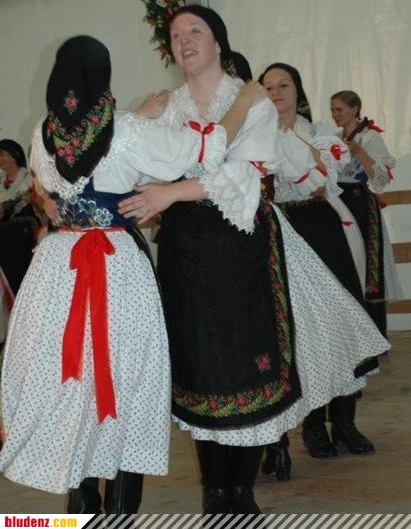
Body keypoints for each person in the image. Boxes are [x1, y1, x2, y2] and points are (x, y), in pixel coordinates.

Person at [119, 6, 389, 515]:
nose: (184, 40)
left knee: (248, 363)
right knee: (200, 363)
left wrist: (168, 190)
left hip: (240, 246)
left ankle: (241, 491)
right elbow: (139, 165)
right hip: (184, 249)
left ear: (218, 42)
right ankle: (214, 492)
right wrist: (141, 126)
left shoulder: (252, 100)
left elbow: (243, 174)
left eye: (195, 31)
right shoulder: (168, 106)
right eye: (175, 35)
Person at [0, 35, 256, 512]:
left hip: (58, 267)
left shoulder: (41, 132)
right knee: (128, 381)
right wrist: (243, 101)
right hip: (115, 267)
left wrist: (139, 117)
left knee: (71, 385)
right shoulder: (126, 129)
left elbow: (61, 179)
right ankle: (120, 511)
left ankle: (80, 509)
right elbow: (204, 148)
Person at [259, 62, 384, 471]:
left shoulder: (318, 132)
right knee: (306, 329)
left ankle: (345, 421)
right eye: (268, 87)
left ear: (298, 90)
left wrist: (313, 157)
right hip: (284, 231)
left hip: (324, 226)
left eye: (284, 84)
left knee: (342, 320)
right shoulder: (256, 136)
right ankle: (314, 427)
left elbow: (335, 176)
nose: (276, 92)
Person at [330, 90, 402, 337]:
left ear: (354, 109)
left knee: (370, 265)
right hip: (338, 204)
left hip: (361, 205)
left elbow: (381, 179)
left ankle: (376, 332)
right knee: (345, 261)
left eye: (339, 109)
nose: (335, 115)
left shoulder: (370, 137)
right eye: (332, 110)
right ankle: (353, 334)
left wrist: (359, 151)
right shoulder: (335, 138)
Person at [0, 140, 40, 350]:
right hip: (3, 239)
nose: (0, 159)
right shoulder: (0, 180)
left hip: (20, 240)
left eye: (2, 154)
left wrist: (30, 200)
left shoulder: (27, 178)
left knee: (18, 281)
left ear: (14, 155)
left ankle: (22, 329)